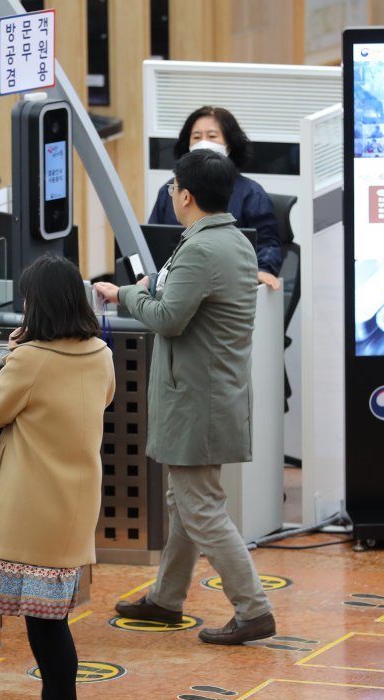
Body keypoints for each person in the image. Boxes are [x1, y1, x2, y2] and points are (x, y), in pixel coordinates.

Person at [94, 149, 277, 645]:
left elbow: (168, 318)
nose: (171, 195)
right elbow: (181, 289)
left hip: (201, 401)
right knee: (185, 503)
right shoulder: (229, 240)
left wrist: (126, 295)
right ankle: (166, 599)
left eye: (174, 188)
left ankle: (253, 608)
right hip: (209, 394)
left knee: (202, 509)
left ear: (187, 195)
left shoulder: (202, 248)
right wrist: (149, 284)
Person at [0, 256, 115, 700]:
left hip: (30, 506)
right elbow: (104, 399)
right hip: (72, 504)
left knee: (45, 626)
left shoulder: (31, 359)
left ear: (40, 305)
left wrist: (14, 355)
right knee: (50, 617)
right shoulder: (99, 353)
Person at [148, 106, 284, 290]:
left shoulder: (252, 194)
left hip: (231, 286)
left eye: (212, 136)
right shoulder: (172, 190)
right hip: (176, 284)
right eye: (196, 137)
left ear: (230, 144)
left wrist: (261, 270)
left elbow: (268, 245)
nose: (203, 143)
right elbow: (153, 240)